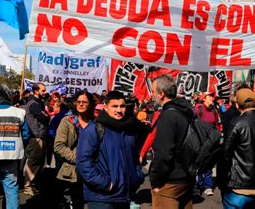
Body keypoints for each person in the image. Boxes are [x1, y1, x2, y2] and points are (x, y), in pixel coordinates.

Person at [76, 91, 144, 208]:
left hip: (124, 195)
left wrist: (136, 176)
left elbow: (135, 158)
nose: (119, 110)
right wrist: (104, 183)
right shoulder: (94, 130)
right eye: (114, 106)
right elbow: (83, 162)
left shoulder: (129, 130)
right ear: (106, 107)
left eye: (122, 106)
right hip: (101, 197)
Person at [149, 74, 194, 208]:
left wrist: (156, 181)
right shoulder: (186, 112)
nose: (151, 95)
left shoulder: (167, 116)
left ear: (161, 94)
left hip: (170, 182)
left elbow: (163, 154)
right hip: (187, 177)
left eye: (153, 91)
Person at [54, 91, 95, 209]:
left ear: (90, 104)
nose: (81, 104)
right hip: (73, 169)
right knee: (77, 201)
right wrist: (77, 159)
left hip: (92, 169)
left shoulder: (96, 123)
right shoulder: (67, 121)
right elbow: (59, 146)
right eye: (79, 102)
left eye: (85, 102)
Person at [24, 82, 51, 196]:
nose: (45, 93)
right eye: (43, 90)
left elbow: (45, 116)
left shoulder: (38, 103)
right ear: (36, 91)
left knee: (38, 162)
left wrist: (46, 115)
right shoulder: (34, 104)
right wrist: (46, 115)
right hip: (36, 137)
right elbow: (44, 118)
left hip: (40, 136)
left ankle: (32, 185)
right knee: (33, 162)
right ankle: (28, 186)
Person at [193, 91, 219, 196]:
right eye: (210, 97)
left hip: (212, 142)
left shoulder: (214, 111)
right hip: (200, 141)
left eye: (212, 97)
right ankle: (198, 185)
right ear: (204, 98)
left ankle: (208, 186)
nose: (212, 98)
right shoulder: (198, 109)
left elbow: (217, 125)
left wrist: (219, 137)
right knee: (199, 163)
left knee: (209, 163)